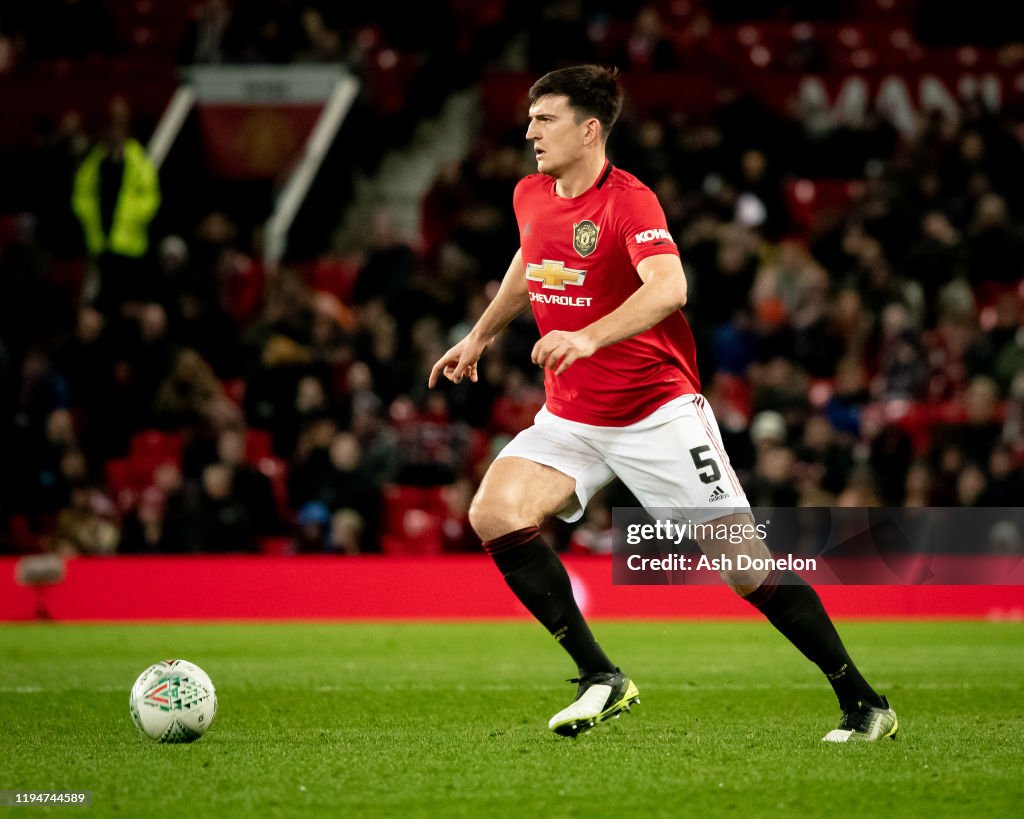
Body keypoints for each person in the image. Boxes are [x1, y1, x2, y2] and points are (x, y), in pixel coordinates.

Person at [429, 65, 897, 743]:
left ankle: (863, 700)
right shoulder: (530, 193)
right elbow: (532, 262)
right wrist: (478, 336)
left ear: (590, 130)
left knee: (745, 568)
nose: (529, 131)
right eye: (529, 118)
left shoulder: (630, 202)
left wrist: (587, 335)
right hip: (572, 416)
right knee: (494, 511)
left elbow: (670, 287)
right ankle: (601, 676)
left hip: (657, 412)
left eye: (546, 119)